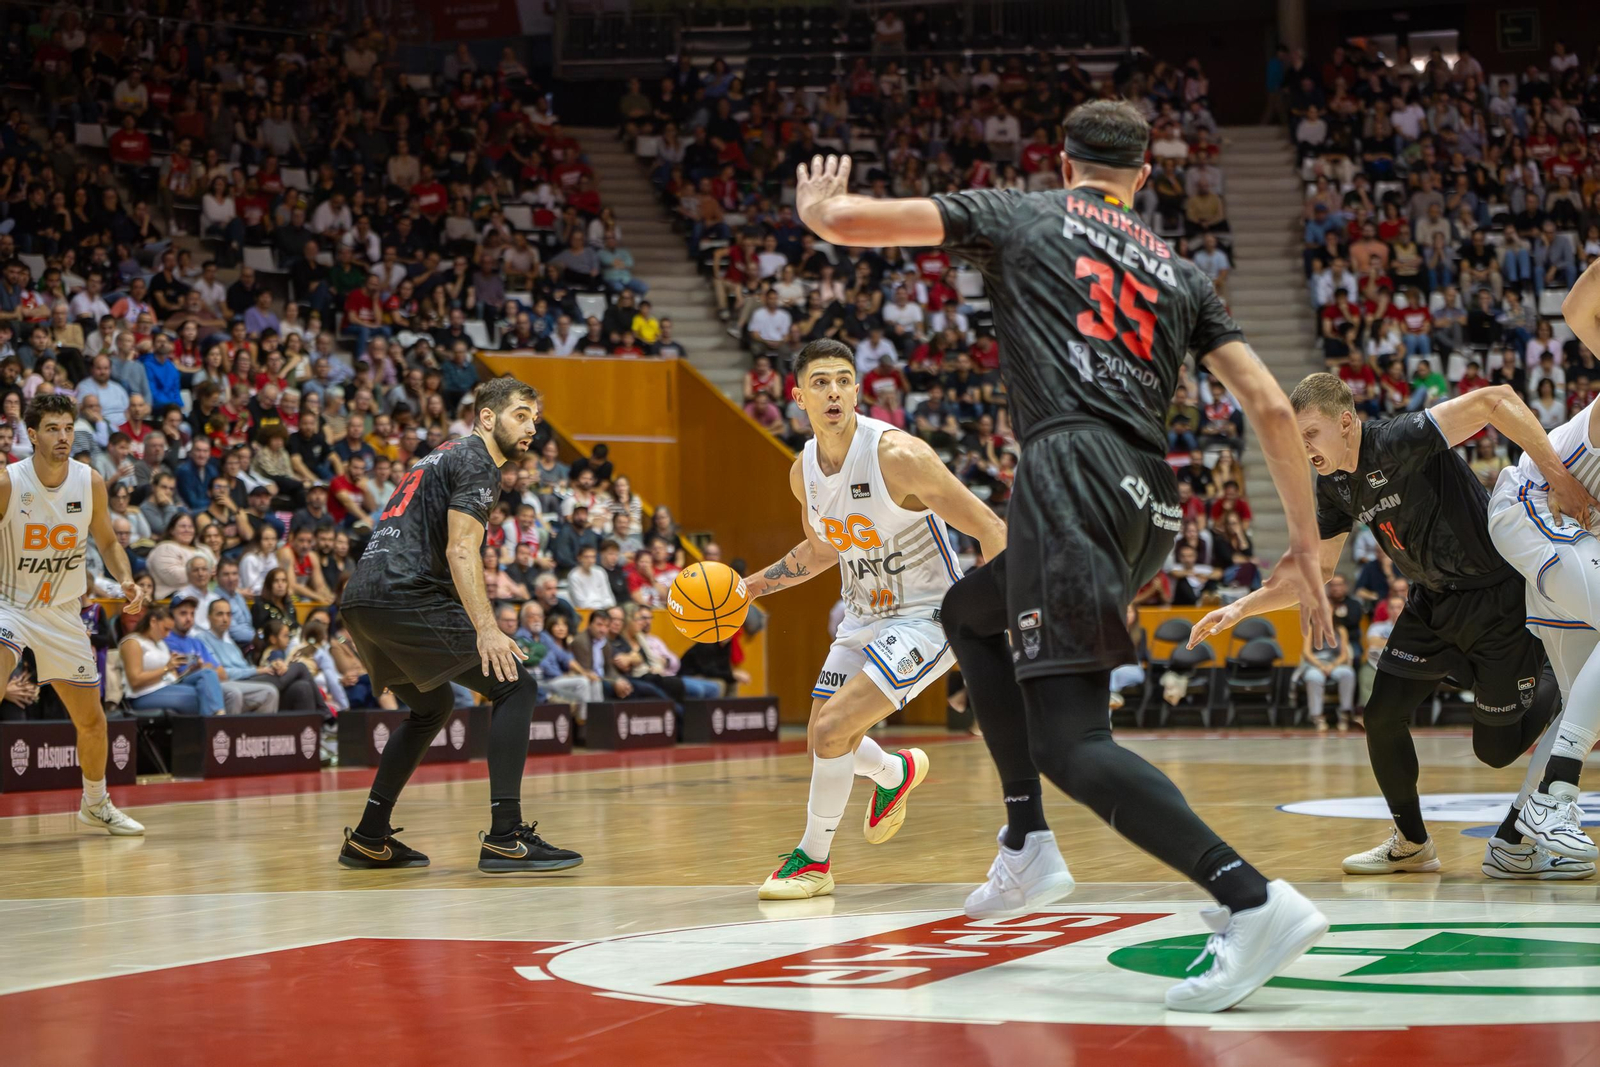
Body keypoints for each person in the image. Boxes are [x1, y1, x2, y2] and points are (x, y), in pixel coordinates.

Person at [788, 104, 1335, 1012]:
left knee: (1072, 743)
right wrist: (1305, 550)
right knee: (969, 610)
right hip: (1150, 500)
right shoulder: (1180, 269)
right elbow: (1274, 411)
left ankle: (1253, 898)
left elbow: (856, 224)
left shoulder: (1024, 214)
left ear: (1061, 162)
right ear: (1145, 178)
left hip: (1068, 479)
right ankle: (1025, 843)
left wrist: (824, 213)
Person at [1195, 371, 1593, 879]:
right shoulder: (1333, 486)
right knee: (1380, 715)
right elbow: (1315, 573)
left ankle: (1564, 686)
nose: (1306, 447)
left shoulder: (1400, 438)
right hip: (1429, 605)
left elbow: (1497, 400)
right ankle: (1412, 843)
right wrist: (1239, 608)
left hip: (1496, 603)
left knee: (1495, 752)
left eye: (1311, 434)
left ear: (1345, 422)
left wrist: (1558, 477)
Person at [741, 338, 1006, 900]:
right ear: (798, 397)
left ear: (858, 390)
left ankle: (812, 861)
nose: (833, 390)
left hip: (928, 617)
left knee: (834, 730)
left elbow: (990, 528)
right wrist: (751, 586)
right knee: (822, 736)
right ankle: (895, 773)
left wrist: (1001, 621)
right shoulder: (803, 472)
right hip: (862, 617)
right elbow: (820, 550)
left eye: (843, 379)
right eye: (820, 382)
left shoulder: (898, 455)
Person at [336, 376, 582, 873]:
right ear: (486, 418)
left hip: (363, 598)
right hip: (405, 594)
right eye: (520, 414)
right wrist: (487, 629)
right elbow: (460, 548)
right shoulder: (477, 460)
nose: (531, 426)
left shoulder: (438, 455)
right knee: (517, 685)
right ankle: (506, 836)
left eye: (535, 417)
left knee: (431, 707)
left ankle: (368, 836)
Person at [1481, 257, 1600, 878]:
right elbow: (1580, 307)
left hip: (1576, 547)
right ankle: (1556, 796)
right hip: (1533, 501)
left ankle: (1512, 844)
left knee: (1587, 706)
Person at [2, 393, 148, 833]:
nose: (63, 436)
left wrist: (125, 579)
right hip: (9, 604)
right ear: (32, 435)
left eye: (68, 428)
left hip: (63, 612)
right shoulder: (10, 482)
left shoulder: (90, 481)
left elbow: (106, 542)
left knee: (91, 720)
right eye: (52, 429)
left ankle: (95, 803)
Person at [1296, 627, 1356, 733]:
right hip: (1315, 664)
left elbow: (1344, 655)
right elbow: (1306, 652)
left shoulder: (1341, 630)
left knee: (1348, 673)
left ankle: (1344, 714)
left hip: (1335, 663)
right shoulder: (1310, 629)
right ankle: (1317, 717)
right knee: (1313, 677)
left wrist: (1332, 665)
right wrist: (1321, 666)